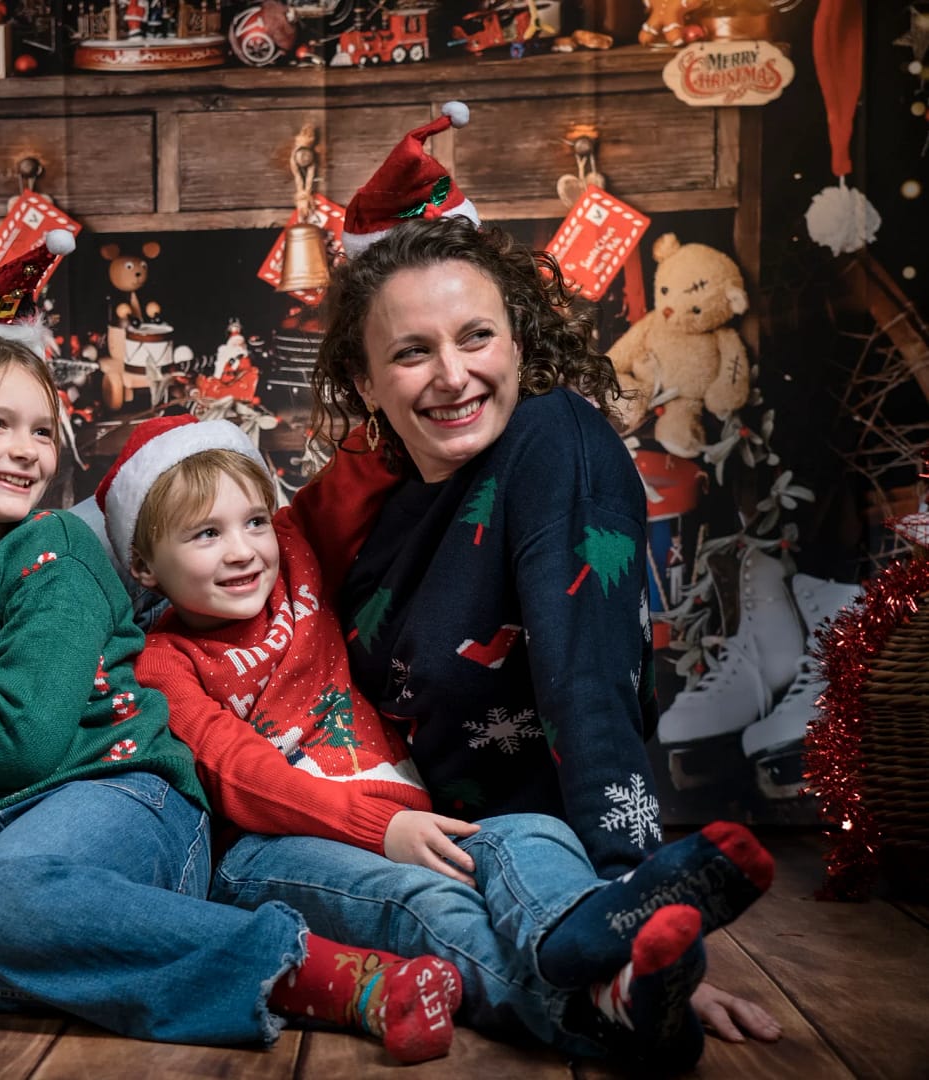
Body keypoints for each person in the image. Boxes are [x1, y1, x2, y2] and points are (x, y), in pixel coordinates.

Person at [0, 306, 463, 1062]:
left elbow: (24, 739)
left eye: (42, 431)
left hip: (116, 799)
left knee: (2, 899)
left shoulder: (52, 553)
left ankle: (322, 974)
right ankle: (90, 950)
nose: (26, 453)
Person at [276, 116, 782, 1050]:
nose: (453, 375)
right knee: (254, 871)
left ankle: (601, 951)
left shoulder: (555, 441)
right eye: (411, 351)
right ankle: (608, 992)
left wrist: (627, 889)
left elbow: (587, 683)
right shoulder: (366, 508)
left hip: (534, 845)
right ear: (364, 376)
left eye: (476, 337)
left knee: (513, 848)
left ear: (518, 337)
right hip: (397, 837)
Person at [96, 414, 774, 1070]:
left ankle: (593, 946)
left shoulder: (296, 558)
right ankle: (587, 1011)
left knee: (531, 832)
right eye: (205, 534)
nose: (242, 550)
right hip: (271, 850)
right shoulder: (162, 661)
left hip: (407, 821)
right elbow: (237, 772)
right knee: (425, 906)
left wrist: (441, 372)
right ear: (146, 566)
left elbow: (364, 459)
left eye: (252, 522)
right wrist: (380, 828)